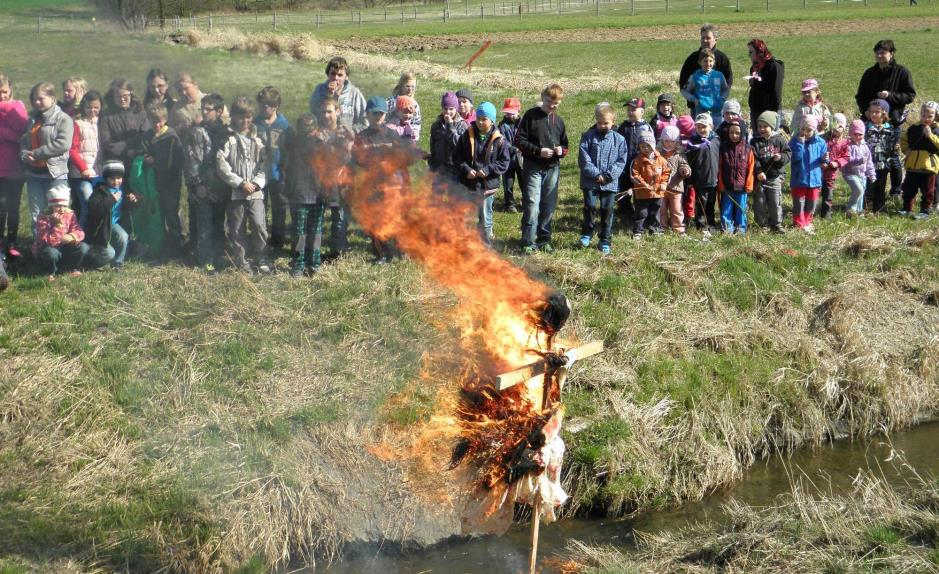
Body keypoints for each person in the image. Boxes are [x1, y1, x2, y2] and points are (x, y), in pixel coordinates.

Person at [855, 40, 915, 197]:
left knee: (892, 157)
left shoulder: (902, 72)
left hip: (892, 122)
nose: (880, 55)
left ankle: (895, 190)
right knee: (870, 155)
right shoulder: (869, 73)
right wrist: (866, 111)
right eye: (877, 53)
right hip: (870, 122)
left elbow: (910, 95)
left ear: (891, 53)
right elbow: (860, 96)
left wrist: (891, 95)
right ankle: (871, 189)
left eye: (883, 52)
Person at [217, 97, 270, 274]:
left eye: (248, 117)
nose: (244, 121)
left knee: (259, 224)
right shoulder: (227, 137)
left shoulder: (258, 137)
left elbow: (266, 163)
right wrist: (240, 183)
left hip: (255, 191)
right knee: (237, 227)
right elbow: (221, 164)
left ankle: (260, 256)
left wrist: (256, 183)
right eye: (240, 117)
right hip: (236, 192)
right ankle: (241, 260)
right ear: (232, 117)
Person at [353, 96, 407, 264]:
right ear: (367, 115)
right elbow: (358, 159)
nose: (378, 117)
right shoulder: (362, 137)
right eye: (375, 114)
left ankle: (401, 250)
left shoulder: (392, 135)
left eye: (381, 114)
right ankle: (382, 253)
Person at [517, 83, 569, 254]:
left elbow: (565, 145)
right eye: (549, 102)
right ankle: (527, 241)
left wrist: (561, 151)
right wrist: (539, 151)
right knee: (532, 203)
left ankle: (544, 239)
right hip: (533, 166)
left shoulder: (559, 121)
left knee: (549, 205)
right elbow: (519, 141)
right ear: (542, 97)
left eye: (556, 104)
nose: (552, 106)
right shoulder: (531, 116)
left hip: (553, 168)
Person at [21, 82, 74, 238]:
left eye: (40, 98)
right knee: (37, 214)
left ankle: (59, 249)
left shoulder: (63, 119)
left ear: (52, 98)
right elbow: (24, 141)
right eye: (33, 99)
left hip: (55, 175)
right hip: (34, 175)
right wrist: (24, 155)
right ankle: (40, 248)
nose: (36, 102)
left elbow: (63, 144)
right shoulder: (31, 120)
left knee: (59, 214)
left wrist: (36, 154)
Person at [454, 101, 510, 247]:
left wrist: (488, 170)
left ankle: (485, 245)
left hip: (487, 186)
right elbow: (457, 156)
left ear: (492, 121)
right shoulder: (467, 135)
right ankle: (462, 243)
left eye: (484, 119)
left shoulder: (499, 140)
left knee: (485, 216)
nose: (479, 122)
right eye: (478, 118)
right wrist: (466, 170)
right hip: (468, 184)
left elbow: (504, 162)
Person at [183, 93, 228, 271]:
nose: (204, 112)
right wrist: (197, 185)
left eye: (208, 109)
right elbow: (192, 161)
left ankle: (218, 258)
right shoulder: (197, 132)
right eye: (202, 109)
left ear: (219, 111)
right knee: (205, 227)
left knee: (218, 225)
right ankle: (207, 262)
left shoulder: (224, 131)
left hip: (220, 186)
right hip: (202, 186)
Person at [578, 104, 627, 253]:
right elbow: (584, 159)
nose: (602, 126)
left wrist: (608, 176)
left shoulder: (619, 139)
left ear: (613, 121)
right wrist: (596, 174)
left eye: (605, 123)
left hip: (610, 183)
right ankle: (587, 232)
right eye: (599, 123)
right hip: (590, 181)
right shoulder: (588, 136)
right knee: (589, 207)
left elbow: (621, 160)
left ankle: (605, 239)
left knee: (607, 210)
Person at [142, 103, 185, 253]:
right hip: (155, 181)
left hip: (171, 182)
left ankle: (178, 246)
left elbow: (173, 162)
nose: (157, 124)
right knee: (158, 213)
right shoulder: (148, 135)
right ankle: (161, 245)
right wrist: (146, 157)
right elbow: (145, 151)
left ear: (165, 119)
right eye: (153, 121)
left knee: (172, 213)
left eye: (159, 121)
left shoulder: (171, 137)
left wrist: (155, 161)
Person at [254, 86, 290, 251]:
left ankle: (278, 240)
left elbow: (290, 150)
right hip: (259, 174)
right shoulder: (255, 124)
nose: (262, 108)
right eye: (260, 105)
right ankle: (260, 239)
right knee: (259, 207)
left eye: (266, 105)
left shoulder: (284, 126)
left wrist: (285, 168)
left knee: (279, 207)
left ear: (275, 106)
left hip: (277, 174)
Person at [84, 160, 134, 270]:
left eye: (119, 178)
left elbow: (129, 205)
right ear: (106, 178)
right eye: (112, 178)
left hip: (114, 223)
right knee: (109, 253)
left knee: (123, 237)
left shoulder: (123, 188)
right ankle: (91, 261)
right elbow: (95, 209)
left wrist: (133, 199)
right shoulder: (99, 190)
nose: (116, 181)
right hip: (101, 227)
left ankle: (118, 264)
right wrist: (111, 199)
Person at [32, 183, 87, 280]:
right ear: (51, 206)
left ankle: (72, 268)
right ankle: (50, 271)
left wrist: (72, 236)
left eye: (64, 205)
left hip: (65, 248)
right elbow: (49, 242)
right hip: (49, 249)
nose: (61, 209)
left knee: (83, 247)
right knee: (51, 253)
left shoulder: (69, 214)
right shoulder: (44, 217)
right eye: (57, 206)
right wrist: (57, 225)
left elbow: (80, 231)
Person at [0, 74, 28, 259]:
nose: (1, 96)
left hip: (16, 167)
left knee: (13, 207)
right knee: (0, 206)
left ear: (10, 90)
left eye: (4, 91)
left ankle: (12, 241)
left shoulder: (18, 107)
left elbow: (21, 132)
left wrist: (3, 133)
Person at [750, 111, 791, 233]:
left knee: (775, 201)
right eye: (760, 126)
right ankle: (762, 224)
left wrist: (781, 157)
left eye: (765, 126)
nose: (762, 129)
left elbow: (788, 153)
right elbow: (754, 158)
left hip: (775, 176)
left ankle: (776, 223)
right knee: (760, 202)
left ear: (772, 126)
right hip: (760, 177)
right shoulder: (755, 141)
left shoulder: (779, 139)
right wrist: (758, 171)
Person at [678, 23, 733, 112]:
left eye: (708, 38)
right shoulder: (692, 58)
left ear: (716, 39)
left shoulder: (722, 59)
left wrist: (721, 99)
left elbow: (728, 84)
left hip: (717, 108)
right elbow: (683, 84)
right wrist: (694, 100)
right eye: (703, 38)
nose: (705, 40)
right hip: (697, 108)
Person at [899, 101, 939, 218]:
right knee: (908, 189)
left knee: (928, 192)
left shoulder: (936, 130)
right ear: (920, 114)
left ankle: (925, 211)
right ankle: (907, 209)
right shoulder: (913, 128)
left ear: (936, 116)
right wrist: (906, 150)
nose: (926, 118)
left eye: (930, 116)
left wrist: (930, 135)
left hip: (928, 168)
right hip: (912, 166)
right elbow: (903, 140)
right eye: (923, 115)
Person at [616, 97, 653, 223]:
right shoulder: (622, 127)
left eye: (634, 109)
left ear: (642, 111)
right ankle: (625, 212)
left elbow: (652, 145)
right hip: (624, 165)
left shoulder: (647, 127)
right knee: (623, 189)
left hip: (640, 165)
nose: (630, 112)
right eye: (629, 109)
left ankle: (641, 214)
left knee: (639, 189)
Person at [69, 90, 102, 229]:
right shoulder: (78, 123)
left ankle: (95, 238)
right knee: (87, 205)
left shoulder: (101, 122)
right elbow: (73, 149)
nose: (92, 110)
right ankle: (79, 239)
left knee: (99, 207)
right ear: (84, 106)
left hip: (98, 172)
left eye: (96, 107)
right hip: (81, 174)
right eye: (89, 107)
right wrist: (83, 168)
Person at [789, 116, 828, 233]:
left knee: (812, 202)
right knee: (798, 203)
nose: (805, 132)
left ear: (814, 130)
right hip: (799, 178)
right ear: (799, 128)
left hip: (814, 179)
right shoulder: (794, 141)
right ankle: (798, 223)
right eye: (803, 129)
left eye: (809, 130)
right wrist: (800, 144)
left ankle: (807, 221)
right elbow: (795, 158)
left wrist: (825, 160)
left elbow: (824, 159)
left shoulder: (820, 142)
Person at [308, 56, 367, 133]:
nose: (336, 78)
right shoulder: (320, 90)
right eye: (333, 74)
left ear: (346, 77)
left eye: (340, 75)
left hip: (347, 138)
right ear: (327, 74)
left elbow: (365, 121)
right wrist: (329, 96)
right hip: (324, 136)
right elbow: (314, 115)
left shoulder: (354, 93)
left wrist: (351, 131)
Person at [99, 79, 147, 171]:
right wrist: (125, 150)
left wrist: (132, 148)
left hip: (139, 161)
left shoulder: (140, 112)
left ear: (131, 94)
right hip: (116, 163)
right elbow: (106, 141)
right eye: (118, 96)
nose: (122, 99)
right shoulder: (106, 115)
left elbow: (146, 134)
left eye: (125, 96)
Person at [717, 121, 754, 234]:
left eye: (737, 133)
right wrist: (721, 184)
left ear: (742, 133)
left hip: (742, 188)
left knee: (741, 210)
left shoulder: (748, 149)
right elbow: (720, 167)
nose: (734, 135)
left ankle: (740, 229)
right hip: (727, 187)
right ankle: (727, 229)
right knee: (726, 210)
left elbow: (751, 167)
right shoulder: (723, 149)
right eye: (731, 132)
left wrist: (748, 184)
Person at [630, 131, 669, 239]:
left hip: (657, 192)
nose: (645, 148)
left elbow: (666, 173)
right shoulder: (638, 161)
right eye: (642, 146)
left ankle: (655, 229)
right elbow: (635, 174)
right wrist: (644, 184)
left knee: (655, 212)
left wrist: (663, 183)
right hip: (642, 192)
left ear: (653, 145)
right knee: (641, 213)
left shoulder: (661, 160)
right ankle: (638, 231)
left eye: (648, 146)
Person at [685, 113, 720, 236]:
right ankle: (700, 224)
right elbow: (689, 162)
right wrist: (689, 180)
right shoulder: (692, 142)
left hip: (713, 178)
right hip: (699, 179)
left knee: (711, 202)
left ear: (711, 126)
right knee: (701, 202)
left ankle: (710, 224)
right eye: (698, 127)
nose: (701, 130)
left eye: (704, 127)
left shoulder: (716, 140)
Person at [864, 98, 898, 214]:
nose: (873, 114)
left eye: (877, 112)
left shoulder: (890, 129)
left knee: (880, 187)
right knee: (869, 187)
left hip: (883, 164)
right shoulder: (865, 128)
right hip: (869, 165)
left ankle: (879, 209)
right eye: (871, 111)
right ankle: (867, 209)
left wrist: (895, 149)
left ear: (884, 114)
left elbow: (893, 147)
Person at [680, 48, 729, 129]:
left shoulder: (719, 75)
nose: (708, 63)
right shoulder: (695, 76)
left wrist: (723, 98)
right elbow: (684, 91)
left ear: (714, 62)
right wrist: (694, 100)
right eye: (705, 61)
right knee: (703, 134)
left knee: (716, 134)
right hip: (702, 112)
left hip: (717, 112)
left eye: (710, 61)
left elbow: (725, 89)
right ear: (700, 62)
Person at [657, 126, 691, 235]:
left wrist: (684, 170)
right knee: (661, 209)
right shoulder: (657, 153)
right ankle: (662, 227)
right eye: (666, 141)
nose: (669, 144)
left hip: (676, 186)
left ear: (676, 142)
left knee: (676, 209)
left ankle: (679, 228)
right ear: (662, 140)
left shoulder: (680, 154)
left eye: (672, 141)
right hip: (661, 187)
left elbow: (684, 165)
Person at [427, 91, 467, 181]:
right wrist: (432, 163)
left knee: (452, 194)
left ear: (456, 109)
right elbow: (433, 146)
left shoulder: (462, 125)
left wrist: (450, 125)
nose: (448, 112)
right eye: (445, 108)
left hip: (454, 170)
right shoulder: (436, 125)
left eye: (451, 109)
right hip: (438, 169)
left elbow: (458, 144)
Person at [842, 120, 877, 218]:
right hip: (849, 173)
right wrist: (859, 160)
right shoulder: (848, 146)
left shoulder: (865, 147)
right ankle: (850, 210)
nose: (858, 137)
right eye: (855, 134)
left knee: (861, 194)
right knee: (858, 190)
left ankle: (858, 212)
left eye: (860, 134)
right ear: (850, 134)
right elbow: (847, 160)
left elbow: (869, 162)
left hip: (862, 174)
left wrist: (872, 174)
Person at [746, 39, 784, 128]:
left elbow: (776, 92)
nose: (749, 55)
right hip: (756, 110)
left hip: (769, 112)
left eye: (751, 52)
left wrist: (774, 113)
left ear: (760, 52)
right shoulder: (754, 67)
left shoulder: (774, 66)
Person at [820, 113, 849, 218]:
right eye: (834, 124)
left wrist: (837, 163)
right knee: (813, 193)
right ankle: (809, 211)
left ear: (844, 128)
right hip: (818, 172)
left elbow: (846, 157)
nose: (837, 128)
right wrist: (821, 160)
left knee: (828, 196)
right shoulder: (824, 138)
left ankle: (826, 215)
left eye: (840, 126)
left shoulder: (845, 143)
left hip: (830, 174)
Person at [498, 97, 523, 213]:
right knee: (508, 184)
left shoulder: (523, 124)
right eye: (507, 113)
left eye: (512, 113)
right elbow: (502, 141)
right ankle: (509, 204)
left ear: (518, 111)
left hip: (522, 159)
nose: (510, 115)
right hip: (507, 159)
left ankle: (526, 201)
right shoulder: (502, 126)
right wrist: (513, 148)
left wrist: (522, 147)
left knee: (524, 182)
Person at [386, 72, 421, 141]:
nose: (410, 89)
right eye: (407, 86)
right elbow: (382, 119)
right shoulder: (390, 102)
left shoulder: (415, 105)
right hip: (390, 138)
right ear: (401, 86)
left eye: (413, 87)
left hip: (407, 140)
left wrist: (413, 135)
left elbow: (417, 124)